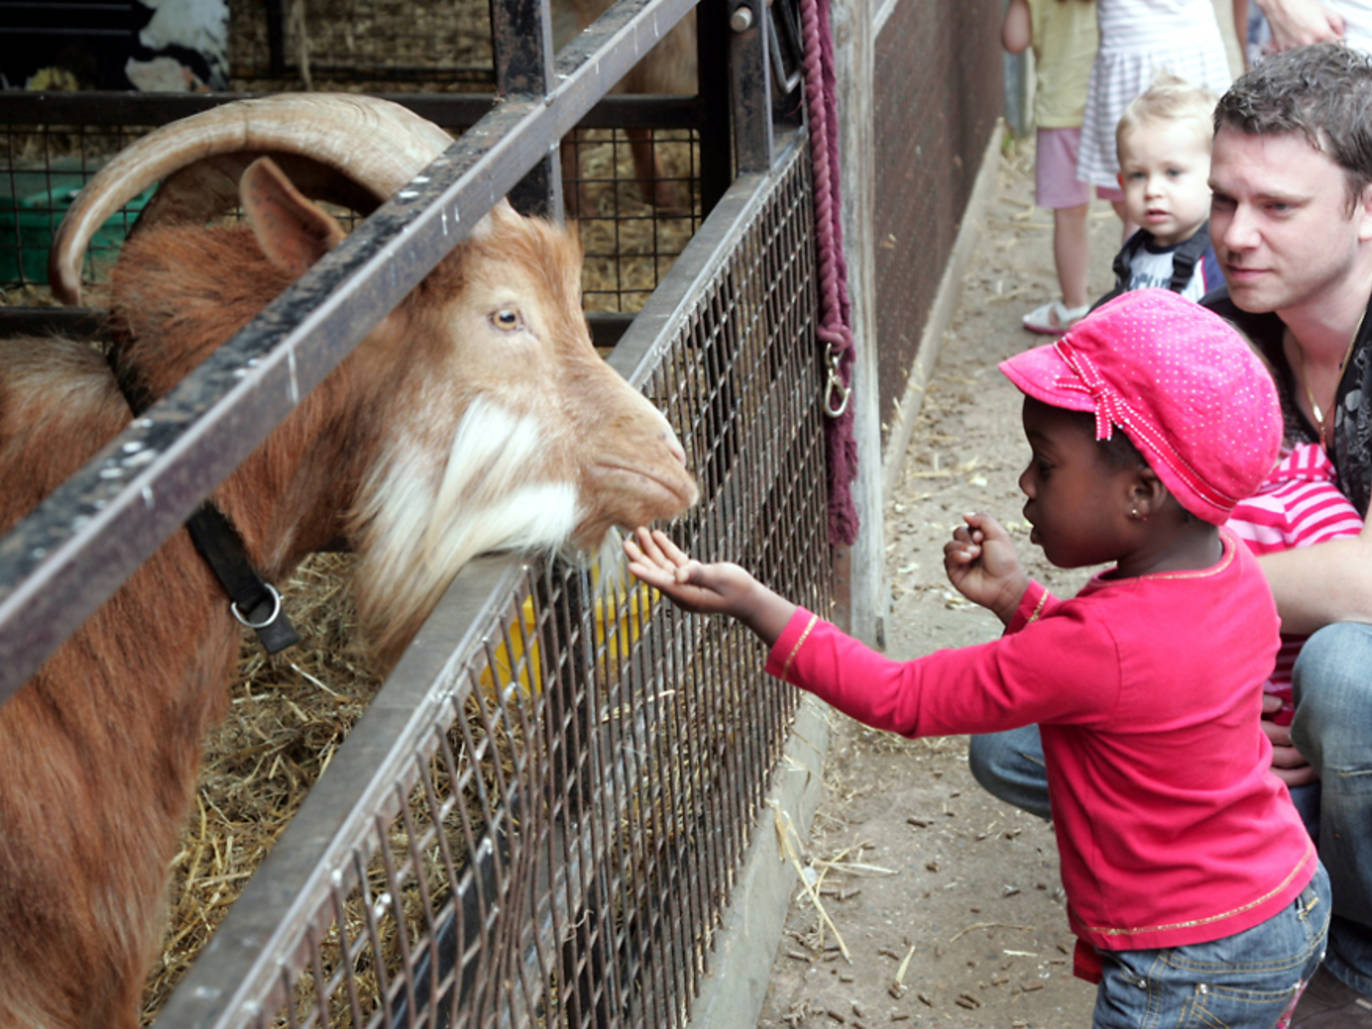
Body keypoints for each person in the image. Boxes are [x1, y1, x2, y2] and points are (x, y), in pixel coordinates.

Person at [626, 289, 1328, 1028]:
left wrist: (756, 606)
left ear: (1142, 493)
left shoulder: (1099, 641)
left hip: (1193, 957)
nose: (1025, 482)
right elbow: (1129, 673)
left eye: (1046, 465)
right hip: (1282, 895)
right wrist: (1018, 600)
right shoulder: (1234, 569)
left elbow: (902, 696)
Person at [973, 42, 1372, 1024]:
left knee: (1348, 682)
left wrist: (1203, 620)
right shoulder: (1218, 322)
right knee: (1014, 743)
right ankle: (1270, 894)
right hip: (1264, 693)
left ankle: (1353, 955)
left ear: (1365, 209)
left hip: (1332, 690)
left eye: (1277, 208)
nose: (1232, 235)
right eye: (1225, 198)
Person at [1076, 0, 1233, 239]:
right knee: (1143, 184)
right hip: (1135, 44)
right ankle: (1144, 269)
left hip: (1178, 39)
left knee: (1199, 177)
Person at [1002, 0, 1101, 335]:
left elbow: (1013, 40)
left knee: (1069, 211)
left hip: (1060, 110)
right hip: (1110, 103)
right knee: (1130, 203)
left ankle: (1074, 307)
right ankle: (1138, 296)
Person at [1098, 72, 1222, 302]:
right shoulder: (1134, 254)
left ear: (1215, 178)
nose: (1152, 190)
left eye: (1172, 172)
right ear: (1122, 184)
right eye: (1138, 175)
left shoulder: (1217, 264)